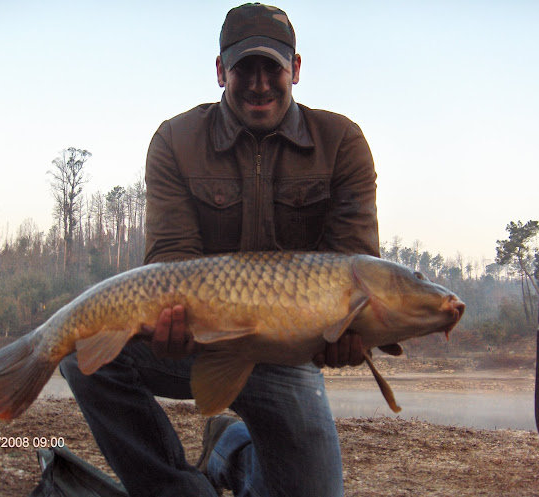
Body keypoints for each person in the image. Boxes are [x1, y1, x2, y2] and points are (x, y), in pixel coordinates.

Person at [60, 3, 379, 496]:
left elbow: (356, 266)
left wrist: (351, 335)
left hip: (285, 357)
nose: (258, 83)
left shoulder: (341, 142)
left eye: (271, 67)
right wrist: (175, 323)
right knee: (81, 347)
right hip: (199, 340)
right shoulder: (175, 140)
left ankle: (232, 448)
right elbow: (169, 261)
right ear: (219, 71)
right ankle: (178, 489)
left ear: (295, 69)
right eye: (243, 68)